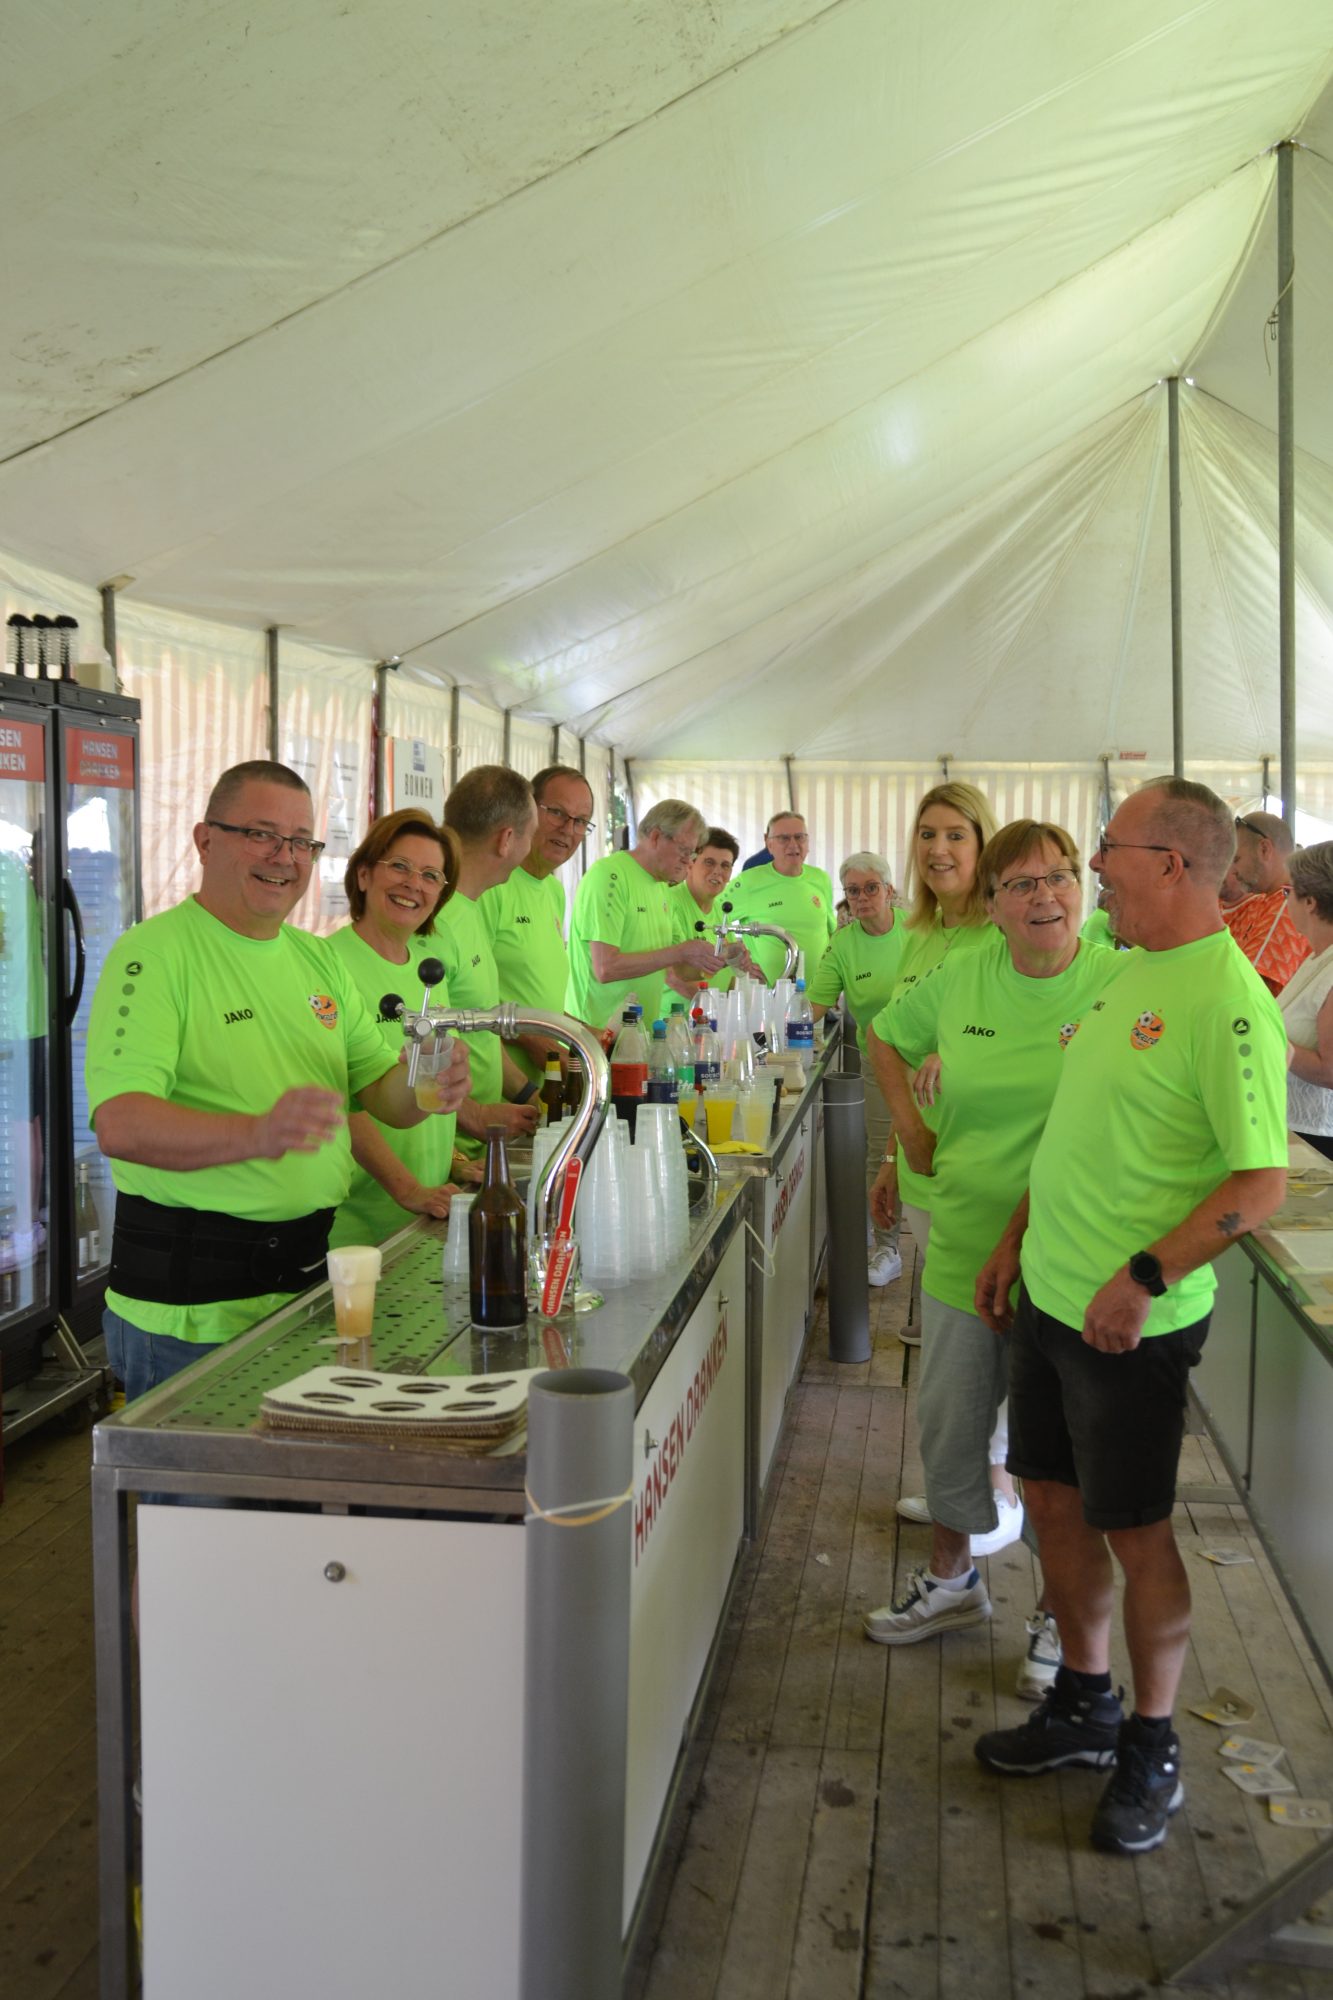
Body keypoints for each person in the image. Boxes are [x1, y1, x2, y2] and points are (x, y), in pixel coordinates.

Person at [971, 777, 1287, 1858]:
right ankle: (1084, 1700)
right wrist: (1016, 1238)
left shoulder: (1227, 999)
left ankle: (1152, 1741)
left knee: (1138, 1531)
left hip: (1128, 1322)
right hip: (1050, 1293)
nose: (1092, 867)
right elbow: (1078, 1124)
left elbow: (1259, 1183)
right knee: (1053, 1503)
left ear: (1169, 863)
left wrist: (1145, 1275)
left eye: (1106, 847)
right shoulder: (1128, 966)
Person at [86, 760, 470, 1400]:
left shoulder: (316, 959)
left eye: (301, 842)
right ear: (205, 840)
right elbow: (121, 1125)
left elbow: (382, 1094)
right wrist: (257, 1134)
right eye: (261, 834)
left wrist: (429, 1084)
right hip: (189, 1320)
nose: (284, 857)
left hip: (305, 1293)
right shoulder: (154, 955)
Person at [861, 822, 1120, 1702]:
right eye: (1021, 884)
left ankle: (1056, 1614)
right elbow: (885, 1039)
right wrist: (907, 1135)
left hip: (1070, 1256)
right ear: (994, 903)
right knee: (950, 1422)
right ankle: (952, 1581)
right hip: (964, 1239)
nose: (1045, 896)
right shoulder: (963, 974)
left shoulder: (1116, 983)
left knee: (1059, 1452)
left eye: (1060, 877)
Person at [867, 781, 998, 1345]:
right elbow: (898, 1046)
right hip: (922, 1158)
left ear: (983, 845)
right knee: (953, 1330)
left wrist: (959, 1047)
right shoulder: (920, 932)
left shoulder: (1003, 930)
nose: (937, 849)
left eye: (955, 835)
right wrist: (895, 1155)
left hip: (978, 1165)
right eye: (927, 835)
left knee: (980, 1331)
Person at [326, 809, 463, 1248]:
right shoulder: (329, 965)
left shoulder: (428, 970)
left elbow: (432, 1085)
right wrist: (407, 1188)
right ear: (364, 875)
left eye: (430, 875)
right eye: (400, 866)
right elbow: (340, 1101)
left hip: (428, 1208)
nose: (413, 884)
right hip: (359, 1220)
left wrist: (452, 1159)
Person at [808, 852, 907, 1286]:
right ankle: (888, 1248)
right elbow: (814, 1005)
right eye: (853, 891)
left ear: (889, 890)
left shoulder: (918, 929)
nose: (863, 897)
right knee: (883, 1153)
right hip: (881, 1062)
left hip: (937, 1057)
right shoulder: (843, 944)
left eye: (871, 888)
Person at [440, 765, 544, 1162]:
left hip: (476, 1148)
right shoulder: (438, 918)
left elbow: (478, 1030)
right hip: (446, 1157)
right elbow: (400, 1051)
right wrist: (474, 1117)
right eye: (530, 836)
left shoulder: (470, 908)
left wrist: (528, 1094)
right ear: (506, 840)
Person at [565, 798, 724, 1029]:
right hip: (594, 1033)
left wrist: (723, 956)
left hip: (639, 1034)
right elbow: (605, 968)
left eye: (691, 854)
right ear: (656, 837)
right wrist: (680, 952)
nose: (688, 861)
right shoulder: (610, 876)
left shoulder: (662, 887)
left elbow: (680, 970)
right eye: (684, 850)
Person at [480, 763, 593, 1087]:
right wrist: (532, 1040)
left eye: (580, 821)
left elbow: (536, 997)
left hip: (544, 1089)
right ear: (529, 811)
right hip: (498, 1090)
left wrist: (581, 1031)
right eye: (557, 813)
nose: (568, 829)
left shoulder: (553, 890)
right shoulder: (492, 884)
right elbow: (465, 997)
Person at [726, 812, 836, 986]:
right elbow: (713, 918)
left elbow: (830, 931)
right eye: (784, 838)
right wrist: (739, 960)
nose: (793, 844)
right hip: (767, 995)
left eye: (799, 837)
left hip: (818, 994)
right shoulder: (748, 882)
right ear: (768, 843)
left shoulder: (821, 878)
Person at [1279, 840, 1333, 1160]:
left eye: (1288, 893)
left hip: (1318, 1136)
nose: (1285, 902)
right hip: (1296, 1125)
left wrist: (1266, 1036)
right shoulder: (1317, 959)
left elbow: (1331, 1071)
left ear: (1310, 902)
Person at [1224, 810, 1310, 995]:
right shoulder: (1270, 900)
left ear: (1264, 849)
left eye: (1237, 859)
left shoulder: (1286, 906)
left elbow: (1249, 988)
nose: (1233, 870)